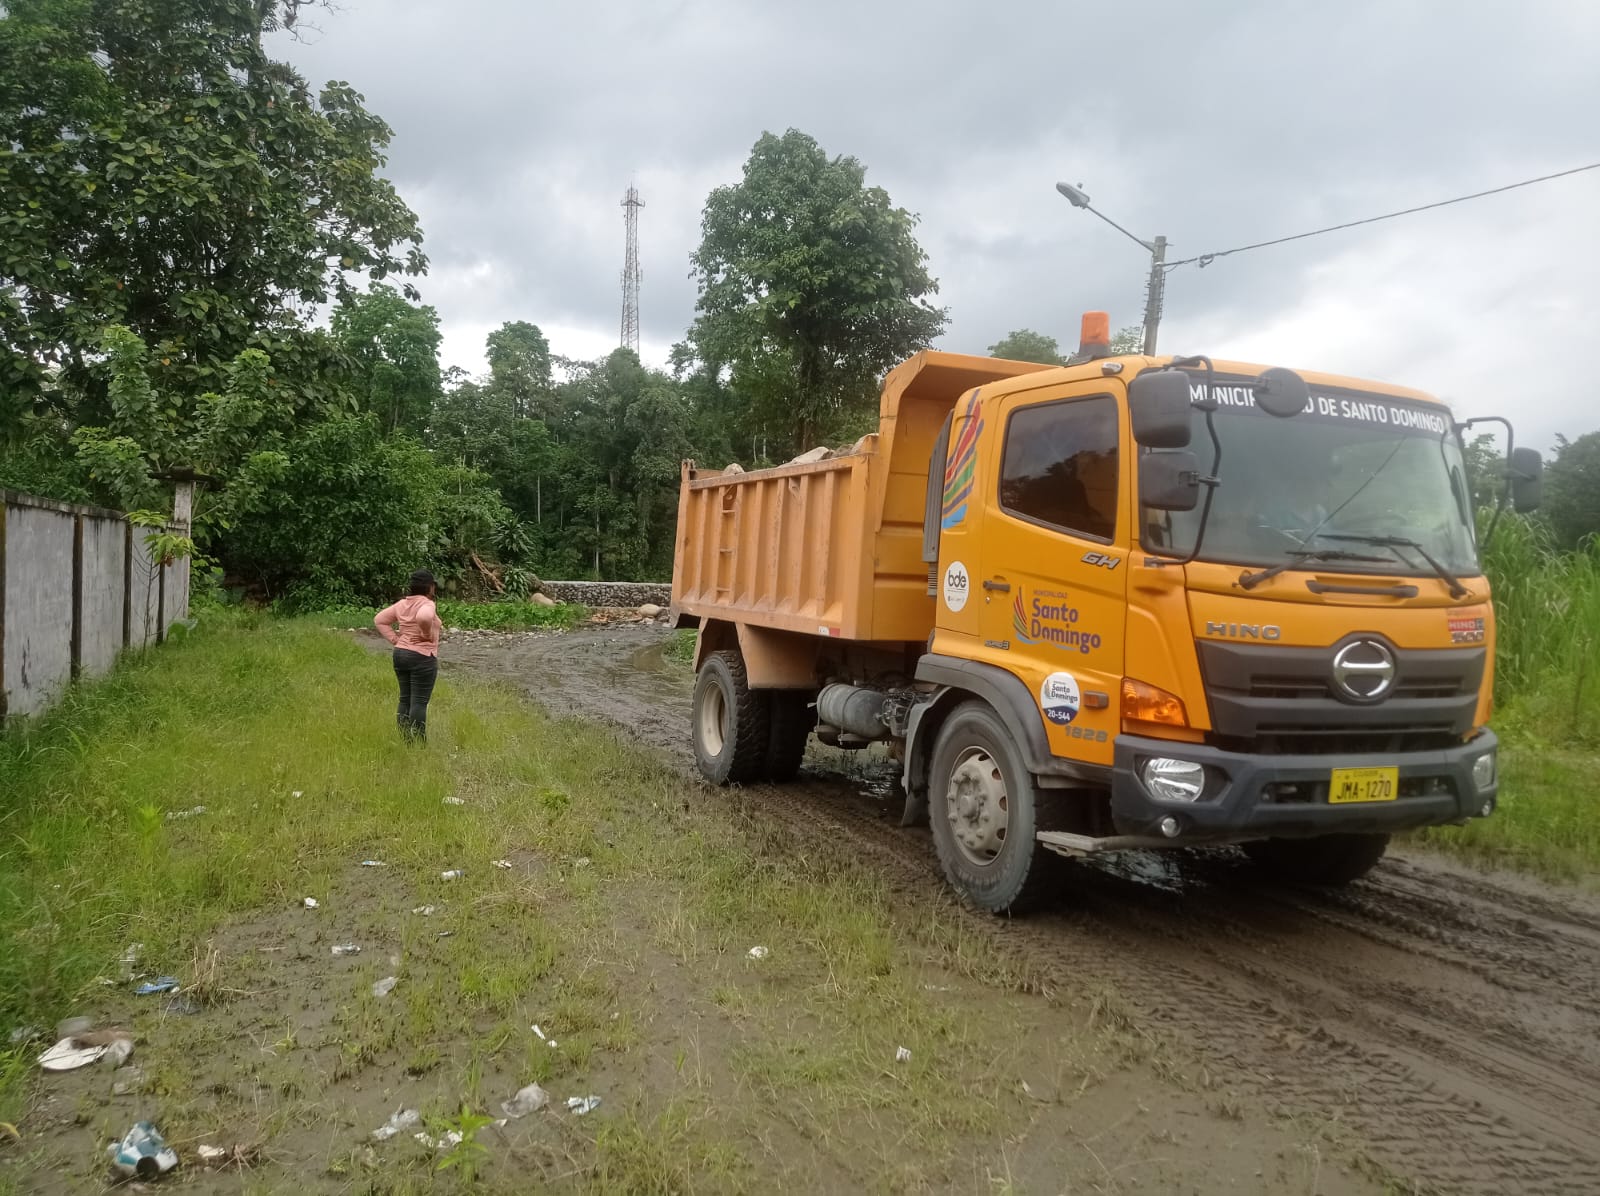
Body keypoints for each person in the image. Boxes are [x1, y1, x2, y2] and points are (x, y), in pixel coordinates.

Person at [374, 570, 443, 743]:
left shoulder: (402, 604)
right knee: (419, 702)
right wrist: (426, 634)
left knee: (405, 699)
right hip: (422, 656)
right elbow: (424, 617)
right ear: (429, 587)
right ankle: (420, 743)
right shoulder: (427, 604)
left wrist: (395, 640)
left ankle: (406, 741)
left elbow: (380, 620)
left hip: (400, 654)